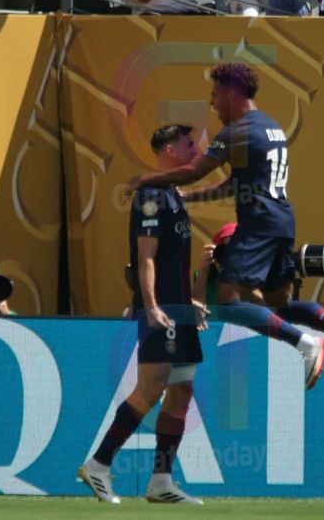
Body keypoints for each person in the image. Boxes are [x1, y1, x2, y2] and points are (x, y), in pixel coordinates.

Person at [128, 62, 324, 389]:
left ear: (232, 92)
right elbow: (232, 185)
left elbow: (194, 169)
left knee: (230, 304)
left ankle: (309, 344)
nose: (212, 103)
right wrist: (188, 198)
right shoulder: (269, 126)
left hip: (259, 224)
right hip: (281, 222)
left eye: (215, 95)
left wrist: (146, 178)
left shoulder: (237, 131)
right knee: (280, 306)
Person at [78, 125, 207, 506]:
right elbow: (145, 257)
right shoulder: (150, 195)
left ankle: (161, 481)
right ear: (169, 149)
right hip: (162, 310)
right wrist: (151, 306)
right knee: (151, 388)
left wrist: (192, 301)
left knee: (181, 391)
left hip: (180, 310)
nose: (194, 151)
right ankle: (99, 464)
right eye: (188, 146)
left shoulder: (173, 193)